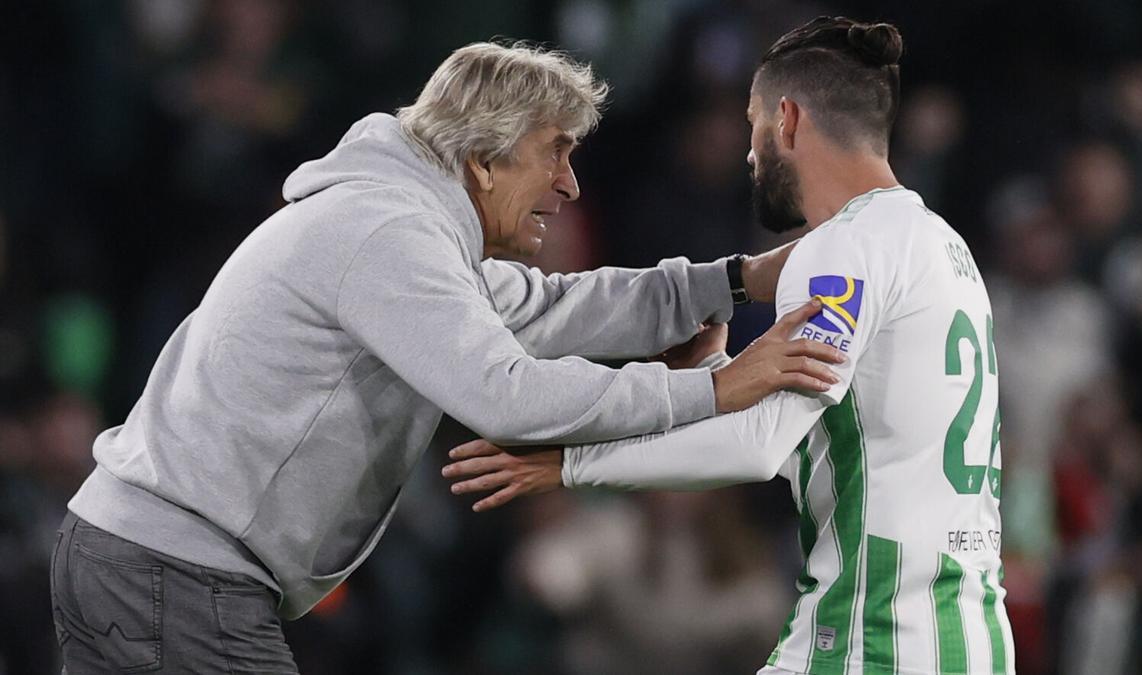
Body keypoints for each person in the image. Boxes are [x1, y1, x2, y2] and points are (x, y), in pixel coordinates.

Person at [49, 42, 846, 672]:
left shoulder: (409, 228)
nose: (569, 185)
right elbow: (509, 395)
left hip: (148, 561)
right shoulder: (388, 233)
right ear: (485, 160)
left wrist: (734, 280)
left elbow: (555, 306)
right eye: (556, 153)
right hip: (176, 573)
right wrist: (723, 388)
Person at [444, 18, 1016, 675]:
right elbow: (839, 436)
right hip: (968, 636)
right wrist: (717, 371)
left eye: (753, 125)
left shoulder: (843, 247)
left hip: (876, 638)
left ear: (789, 120)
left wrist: (570, 462)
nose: (749, 155)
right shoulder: (944, 247)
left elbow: (759, 441)